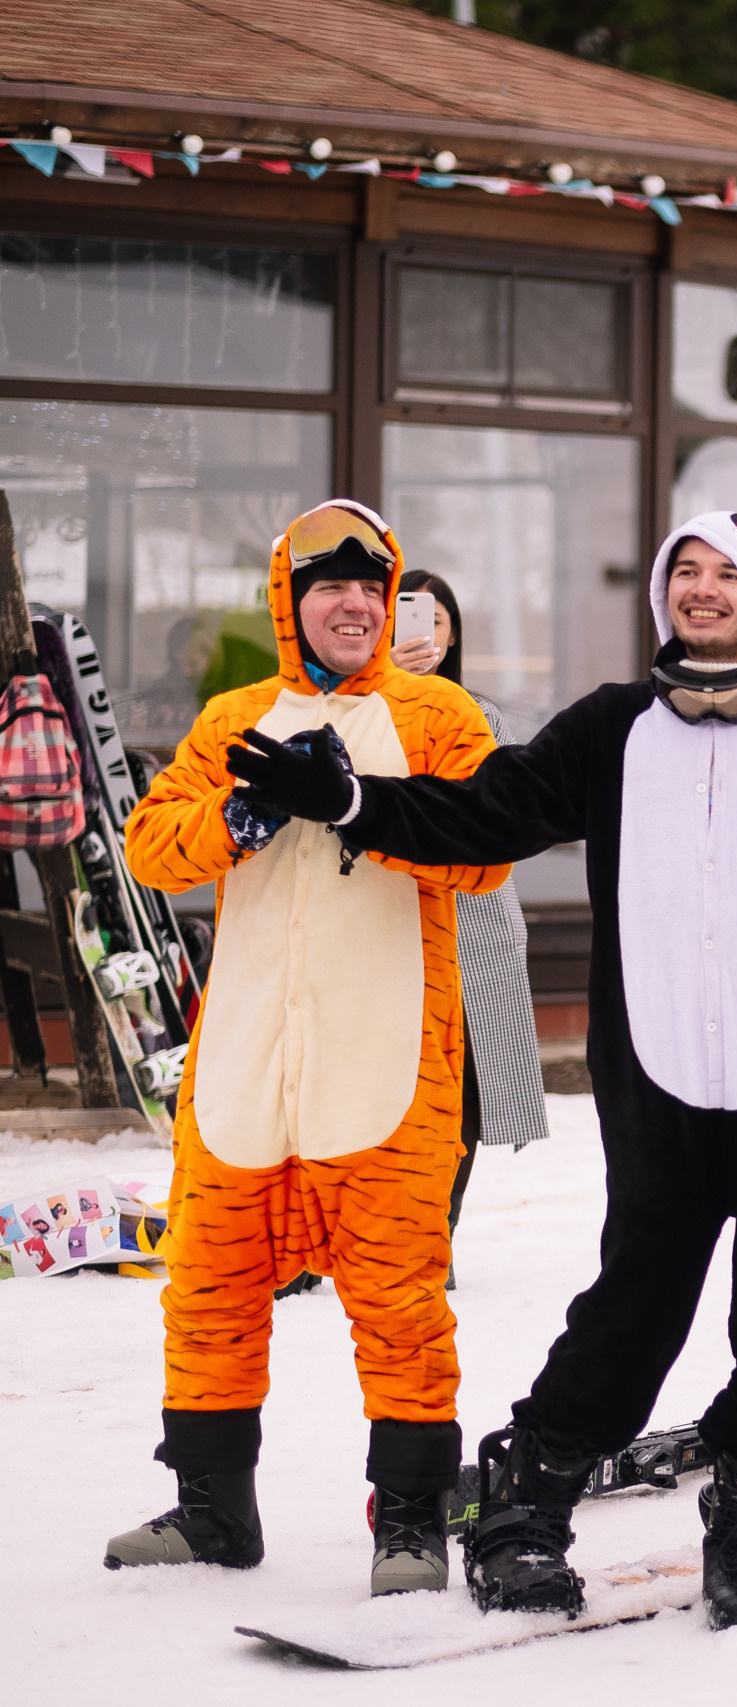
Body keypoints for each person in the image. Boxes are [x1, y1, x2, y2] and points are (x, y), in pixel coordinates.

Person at [219, 510, 737, 1633]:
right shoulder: (612, 731)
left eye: (728, 574)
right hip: (661, 1080)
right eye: (687, 571)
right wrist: (347, 802)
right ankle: (527, 1509)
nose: (704, 590)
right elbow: (486, 808)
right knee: (633, 1314)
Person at [109, 501, 503, 1597]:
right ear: (289, 601)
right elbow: (151, 846)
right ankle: (212, 1509)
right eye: (330, 587)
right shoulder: (237, 713)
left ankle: (413, 1518)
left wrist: (351, 803)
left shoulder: (436, 714)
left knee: (399, 1299)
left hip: (381, 1064)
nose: (353, 604)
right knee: (206, 1286)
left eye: (372, 588)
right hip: (243, 1061)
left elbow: (484, 851)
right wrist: (239, 817)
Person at [391, 570, 550, 1249]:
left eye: (438, 623)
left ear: (454, 635)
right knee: (403, 1081)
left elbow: (492, 812)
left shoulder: (480, 715)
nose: (423, 637)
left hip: (478, 919)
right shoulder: (366, 708)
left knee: (472, 1088)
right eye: (410, 621)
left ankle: (437, 1234)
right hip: (398, 920)